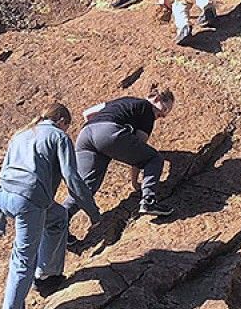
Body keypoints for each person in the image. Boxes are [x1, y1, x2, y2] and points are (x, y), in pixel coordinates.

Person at [0, 103, 101, 309]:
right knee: (21, 263)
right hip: (28, 200)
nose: (67, 130)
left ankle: (47, 274)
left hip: (6, 196)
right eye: (67, 125)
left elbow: (3, 173)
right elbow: (72, 178)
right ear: (62, 120)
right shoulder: (58, 136)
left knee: (58, 216)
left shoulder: (20, 133)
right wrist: (92, 211)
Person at [61, 86, 176, 223]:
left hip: (86, 135)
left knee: (85, 186)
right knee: (154, 158)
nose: (163, 116)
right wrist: (135, 182)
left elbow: (87, 113)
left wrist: (98, 137)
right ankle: (149, 201)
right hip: (108, 132)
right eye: (164, 110)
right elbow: (139, 151)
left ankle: (59, 220)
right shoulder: (146, 108)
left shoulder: (124, 100)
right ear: (156, 99)